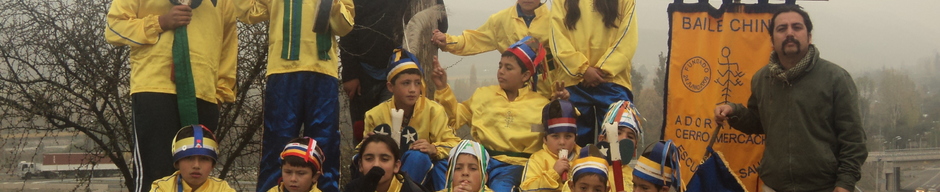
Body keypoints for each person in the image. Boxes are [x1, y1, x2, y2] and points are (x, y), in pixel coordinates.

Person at [712, 6, 867, 192]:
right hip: (773, 186)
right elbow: (759, 122)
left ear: (809, 37)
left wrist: (844, 185)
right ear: (772, 40)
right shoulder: (762, 78)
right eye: (782, 29)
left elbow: (853, 140)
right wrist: (733, 111)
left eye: (797, 27)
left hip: (825, 187)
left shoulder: (835, 78)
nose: (789, 33)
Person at [104, 0, 238, 189]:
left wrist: (220, 94)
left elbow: (228, 45)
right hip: (156, 89)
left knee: (197, 175)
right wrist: (160, 22)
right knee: (155, 173)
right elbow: (114, 28)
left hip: (204, 93)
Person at [234, 0, 354, 190]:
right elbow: (249, 12)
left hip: (322, 72)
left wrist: (333, 4)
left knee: (324, 147)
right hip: (282, 72)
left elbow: (345, 25)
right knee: (277, 144)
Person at [432, 36, 567, 191]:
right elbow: (456, 118)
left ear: (525, 76)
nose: (501, 72)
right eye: (500, 66)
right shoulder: (483, 95)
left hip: (516, 165)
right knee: (443, 168)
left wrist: (559, 105)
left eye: (508, 68)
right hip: (481, 160)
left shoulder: (541, 104)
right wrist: (442, 88)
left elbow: (560, 132)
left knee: (500, 187)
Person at [340, 0, 447, 144]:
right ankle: (363, 165)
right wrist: (350, 74)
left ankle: (398, 164)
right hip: (363, 73)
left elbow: (440, 22)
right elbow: (347, 28)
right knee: (363, 134)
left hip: (400, 75)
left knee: (395, 133)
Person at [361, 49, 461, 191]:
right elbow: (363, 151)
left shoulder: (433, 111)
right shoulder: (374, 115)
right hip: (385, 175)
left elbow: (454, 144)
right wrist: (367, 144)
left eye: (417, 83)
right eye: (406, 83)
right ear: (391, 86)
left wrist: (434, 149)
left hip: (421, 179)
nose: (413, 90)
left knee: (418, 157)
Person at [549, 0, 638, 146]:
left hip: (613, 82)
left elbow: (628, 39)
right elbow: (557, 39)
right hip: (573, 83)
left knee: (615, 143)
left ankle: (615, 169)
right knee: (574, 145)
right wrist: (583, 69)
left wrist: (602, 69)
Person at [150, 125, 235, 192]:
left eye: (204, 159)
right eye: (189, 157)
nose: (196, 165)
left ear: (212, 165)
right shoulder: (162, 188)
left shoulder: (222, 189)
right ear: (177, 162)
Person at [520, 99, 582, 192]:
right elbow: (525, 188)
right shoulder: (537, 159)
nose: (562, 142)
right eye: (555, 136)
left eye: (568, 136)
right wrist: (554, 173)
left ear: (575, 139)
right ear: (545, 139)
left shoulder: (584, 156)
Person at [345, 134, 426, 192]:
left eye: (384, 159)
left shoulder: (411, 190)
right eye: (369, 159)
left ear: (396, 166)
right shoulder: (353, 188)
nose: (376, 165)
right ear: (360, 165)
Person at [595, 100, 643, 192]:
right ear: (602, 139)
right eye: (618, 133)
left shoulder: (637, 178)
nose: (623, 139)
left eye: (630, 136)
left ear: (635, 146)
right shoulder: (589, 170)